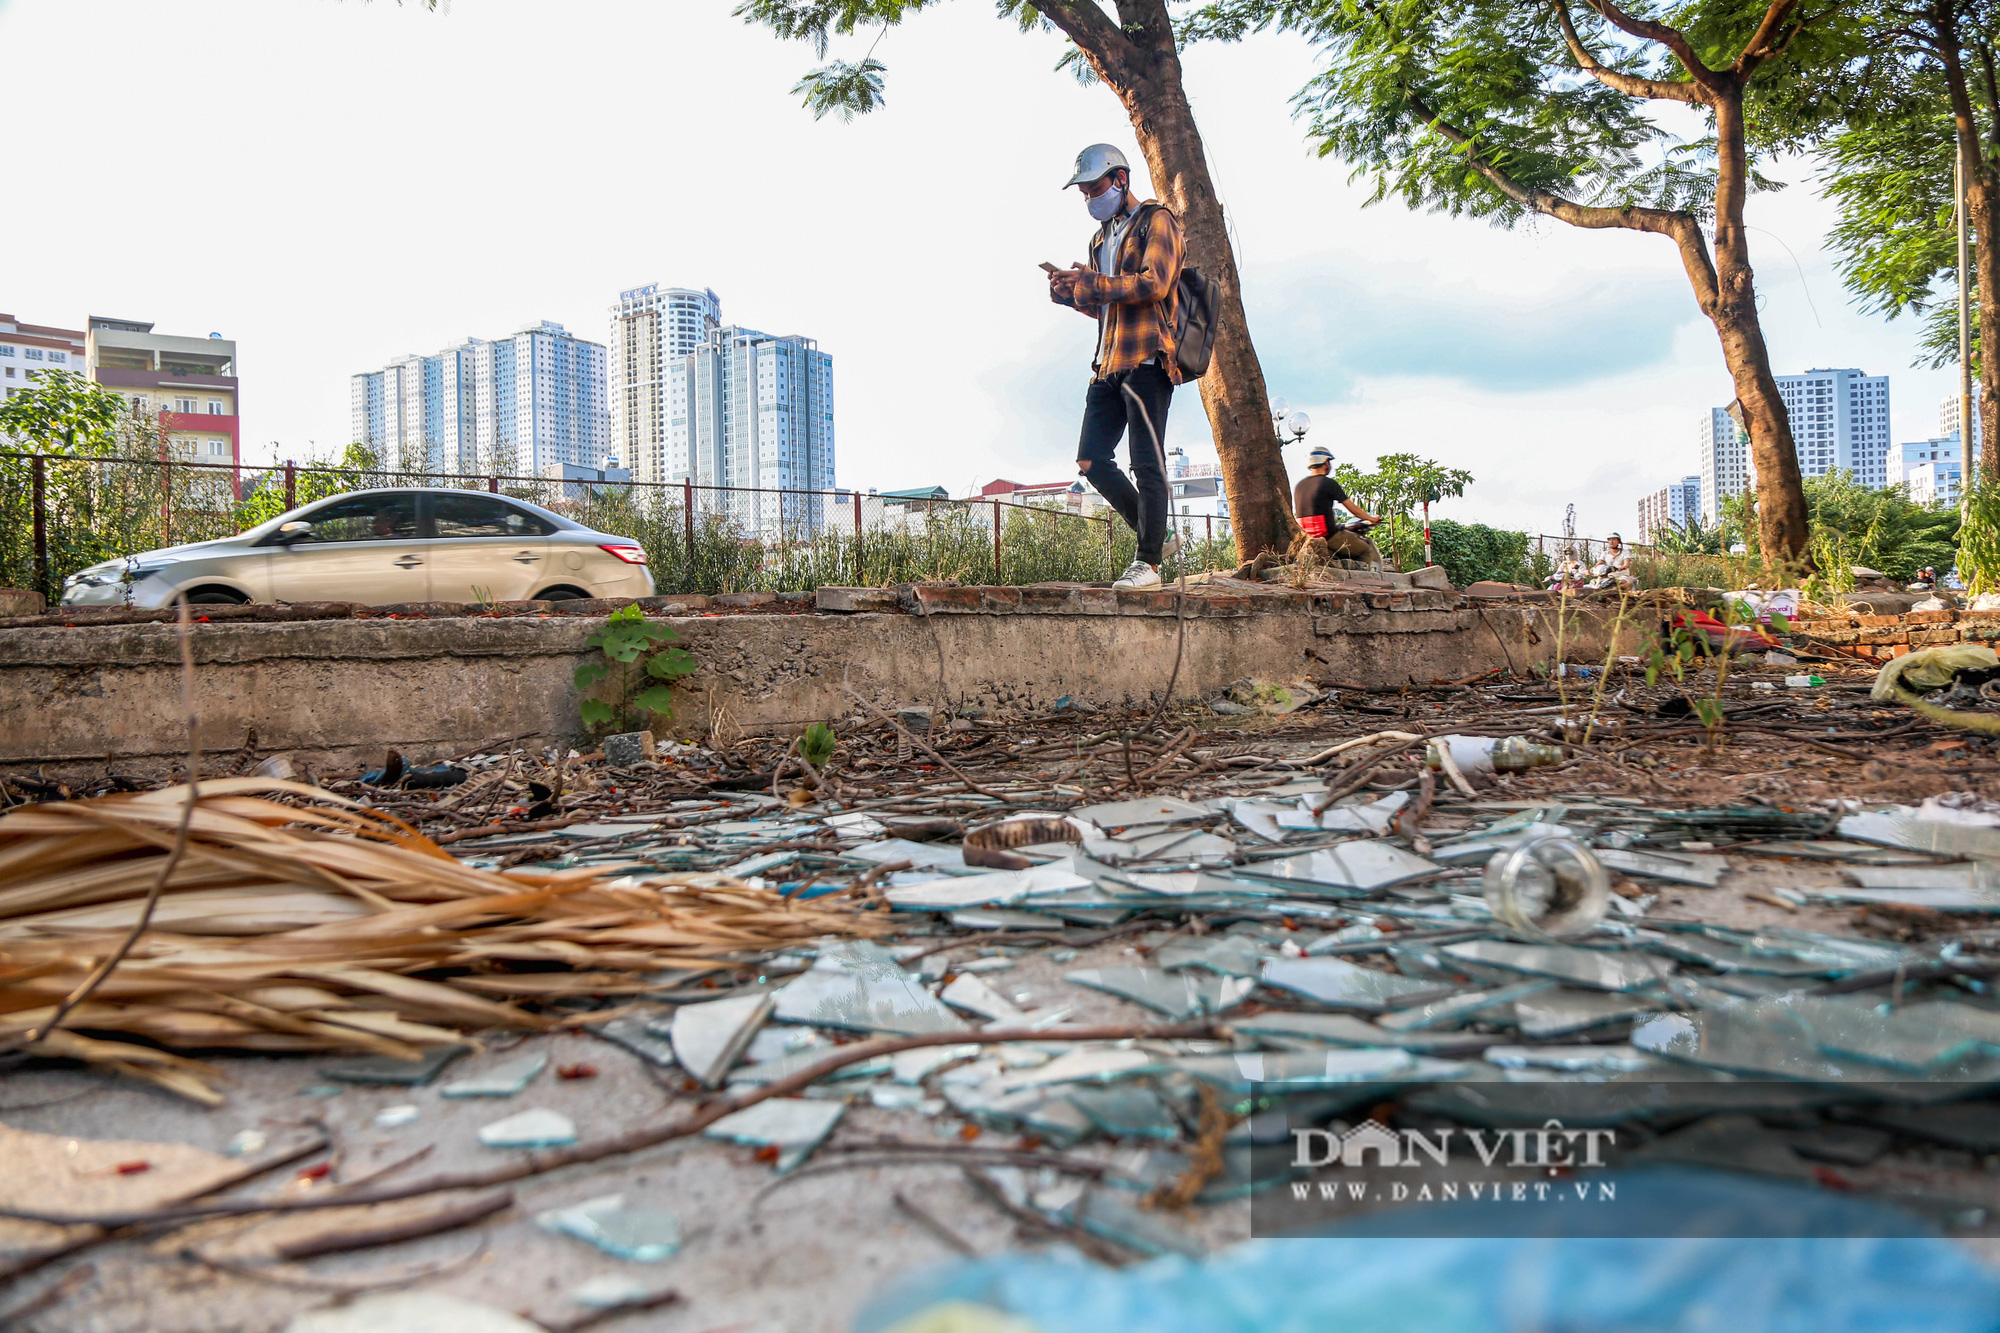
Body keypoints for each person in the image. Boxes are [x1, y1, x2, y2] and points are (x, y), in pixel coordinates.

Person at [1048, 143, 1185, 590]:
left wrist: (1094, 283)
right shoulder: (1099, 239)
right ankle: (1157, 538)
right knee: (1091, 459)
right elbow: (1102, 304)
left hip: (1147, 355)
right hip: (1107, 362)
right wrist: (1070, 292)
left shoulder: (1156, 220)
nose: (1089, 197)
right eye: (1084, 192)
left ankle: (1148, 563)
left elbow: (1155, 283)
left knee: (1146, 462)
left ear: (1120, 179)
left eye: (1094, 187)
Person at [1292, 445, 1380, 559]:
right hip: (1329, 537)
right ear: (1326, 462)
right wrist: (1373, 519)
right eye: (1328, 461)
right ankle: (1369, 576)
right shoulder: (1328, 483)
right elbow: (1353, 509)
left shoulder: (1299, 486)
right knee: (1365, 548)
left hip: (1306, 537)